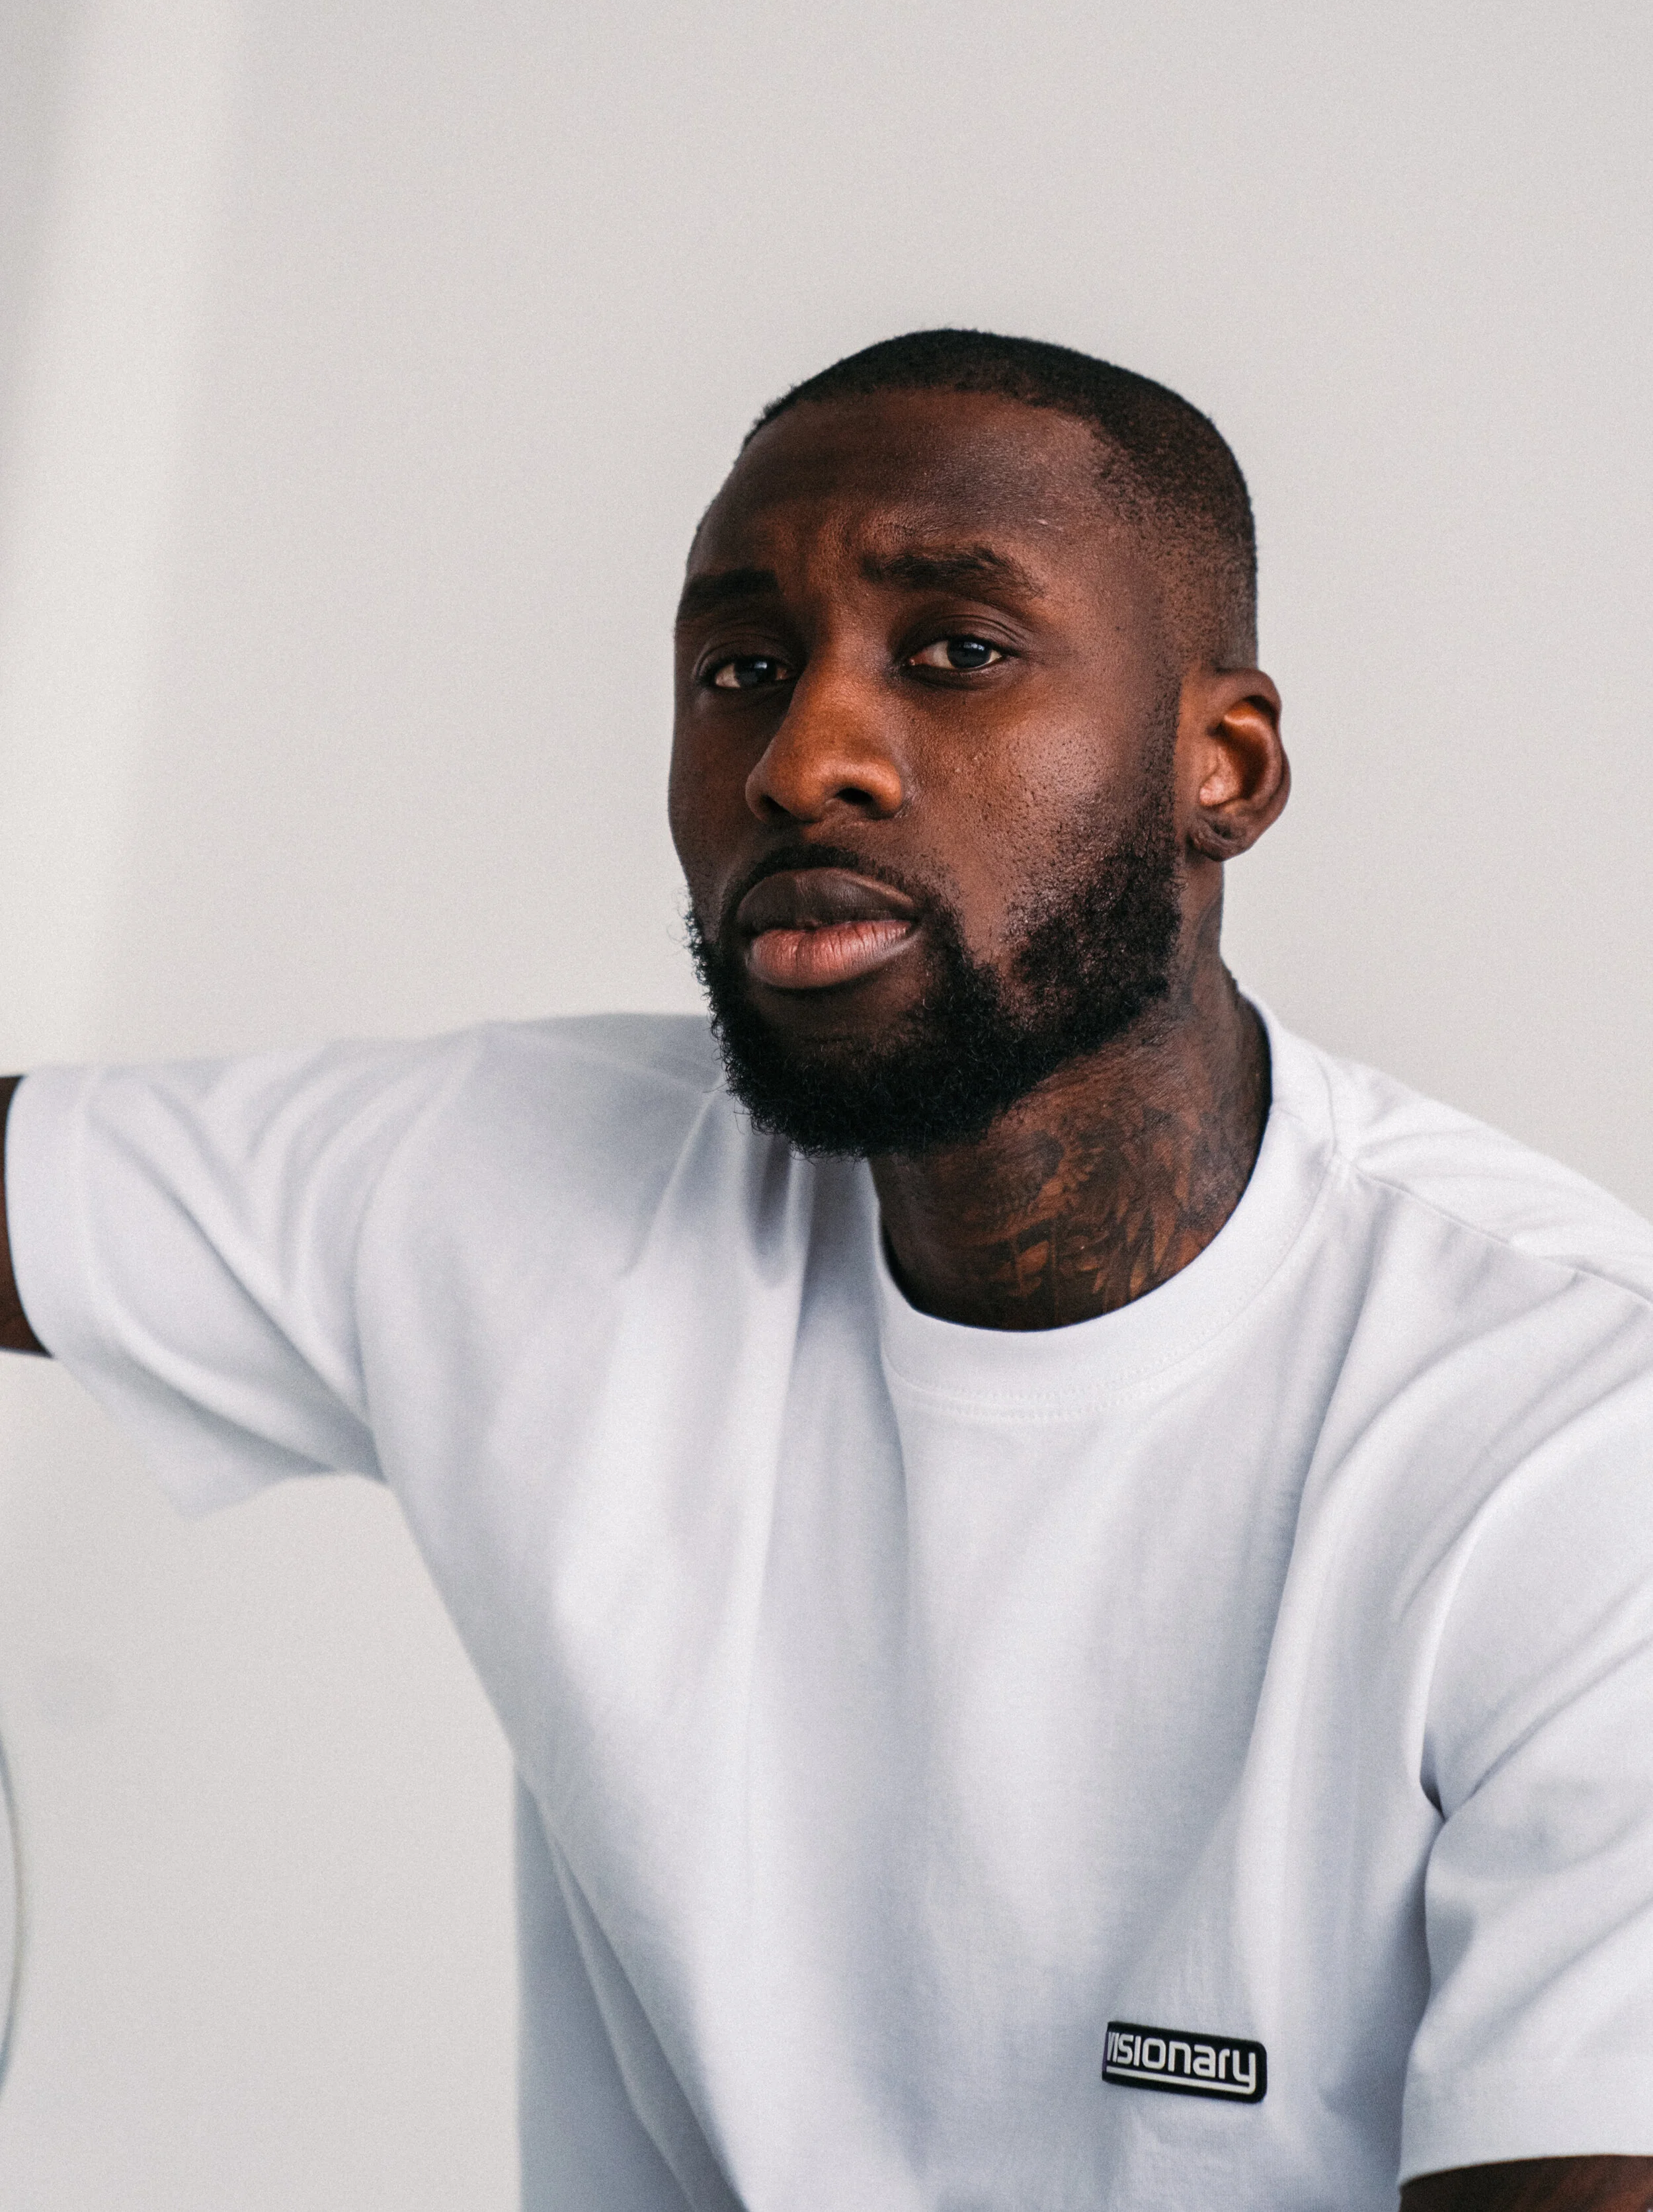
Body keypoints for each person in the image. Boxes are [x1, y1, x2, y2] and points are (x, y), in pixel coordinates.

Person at [3, 325, 1652, 2212]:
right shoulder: (521, 1190)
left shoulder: (1572, 1442)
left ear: (1223, 765)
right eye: (738, 670)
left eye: (953, 650)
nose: (805, 761)